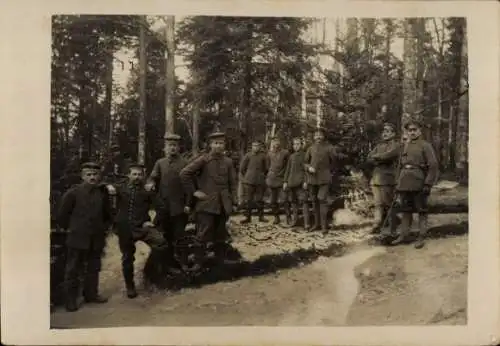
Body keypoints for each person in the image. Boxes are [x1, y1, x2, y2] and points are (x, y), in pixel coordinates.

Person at [57, 162, 112, 312]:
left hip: (96, 237)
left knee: (94, 267)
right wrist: (72, 229)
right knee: (73, 269)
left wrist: (104, 228)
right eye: (89, 175)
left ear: (99, 176)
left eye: (95, 174)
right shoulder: (73, 193)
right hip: (77, 237)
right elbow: (62, 215)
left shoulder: (102, 193)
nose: (92, 177)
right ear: (83, 176)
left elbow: (107, 214)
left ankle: (91, 294)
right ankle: (70, 299)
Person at [180, 131, 239, 269]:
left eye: (221, 143)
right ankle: (198, 262)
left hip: (223, 204)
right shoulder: (203, 159)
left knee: (220, 234)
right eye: (215, 143)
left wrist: (234, 202)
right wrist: (195, 192)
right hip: (207, 204)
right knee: (203, 234)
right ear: (210, 144)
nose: (218, 146)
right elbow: (185, 174)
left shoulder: (228, 162)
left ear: (224, 145)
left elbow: (233, 183)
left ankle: (219, 261)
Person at [111, 163, 169, 298]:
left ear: (143, 176)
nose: (137, 177)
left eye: (140, 174)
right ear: (128, 175)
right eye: (134, 174)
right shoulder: (120, 188)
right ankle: (130, 286)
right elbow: (102, 187)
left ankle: (151, 271)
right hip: (125, 228)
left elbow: (161, 207)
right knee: (127, 257)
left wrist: (152, 223)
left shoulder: (147, 191)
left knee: (161, 243)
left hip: (142, 227)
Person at [146, 133, 190, 271]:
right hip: (163, 207)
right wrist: (151, 183)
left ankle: (183, 263)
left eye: (175, 146)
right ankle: (161, 264)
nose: (172, 148)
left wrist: (188, 204)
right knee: (161, 237)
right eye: (170, 145)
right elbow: (152, 177)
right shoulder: (160, 163)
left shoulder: (185, 163)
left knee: (180, 237)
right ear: (165, 147)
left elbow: (190, 186)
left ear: (179, 148)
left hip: (179, 207)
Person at [392, 119, 439, 249]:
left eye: (414, 130)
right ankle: (404, 235)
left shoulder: (425, 145)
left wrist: (428, 184)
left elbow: (433, 165)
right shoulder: (404, 146)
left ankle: (421, 236)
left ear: (419, 130)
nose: (412, 132)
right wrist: (398, 182)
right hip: (404, 182)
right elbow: (399, 166)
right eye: (409, 130)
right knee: (405, 210)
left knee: (421, 210)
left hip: (419, 181)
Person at [366, 123, 401, 237]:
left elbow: (389, 156)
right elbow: (369, 158)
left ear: (393, 134)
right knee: (377, 203)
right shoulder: (379, 146)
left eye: (388, 131)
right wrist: (379, 158)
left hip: (387, 179)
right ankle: (377, 224)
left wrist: (377, 157)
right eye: (384, 131)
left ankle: (392, 227)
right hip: (376, 178)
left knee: (388, 203)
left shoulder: (396, 145)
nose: (385, 133)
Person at [303, 128, 339, 233]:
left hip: (324, 178)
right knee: (314, 201)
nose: (318, 137)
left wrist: (329, 173)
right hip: (312, 179)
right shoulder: (310, 148)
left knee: (322, 199)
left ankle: (324, 227)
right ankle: (316, 224)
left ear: (324, 136)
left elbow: (335, 163)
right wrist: (309, 168)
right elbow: (305, 162)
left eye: (320, 135)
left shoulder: (330, 148)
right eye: (316, 135)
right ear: (313, 137)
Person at [239, 140, 268, 224]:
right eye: (254, 146)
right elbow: (242, 168)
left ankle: (261, 217)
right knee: (248, 200)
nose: (256, 147)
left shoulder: (263, 156)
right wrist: (248, 175)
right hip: (249, 181)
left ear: (260, 147)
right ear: (252, 147)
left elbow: (266, 169)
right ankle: (248, 217)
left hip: (259, 181)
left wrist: (261, 175)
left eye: (257, 146)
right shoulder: (247, 155)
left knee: (259, 200)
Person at [283, 137, 307, 227]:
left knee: (304, 202)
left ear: (301, 145)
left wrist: (305, 181)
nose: (296, 146)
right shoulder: (291, 156)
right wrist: (285, 181)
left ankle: (306, 223)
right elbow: (287, 170)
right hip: (291, 183)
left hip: (300, 183)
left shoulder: (305, 155)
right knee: (293, 202)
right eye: (294, 144)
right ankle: (295, 221)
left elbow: (306, 171)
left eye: (298, 144)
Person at [266, 137, 290, 225]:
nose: (276, 143)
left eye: (277, 141)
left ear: (280, 142)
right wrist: (271, 174)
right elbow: (268, 166)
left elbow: (288, 166)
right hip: (272, 179)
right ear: (272, 143)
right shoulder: (269, 154)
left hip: (282, 179)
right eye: (274, 141)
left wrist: (285, 178)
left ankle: (288, 217)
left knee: (284, 200)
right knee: (273, 201)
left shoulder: (285, 152)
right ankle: (276, 217)